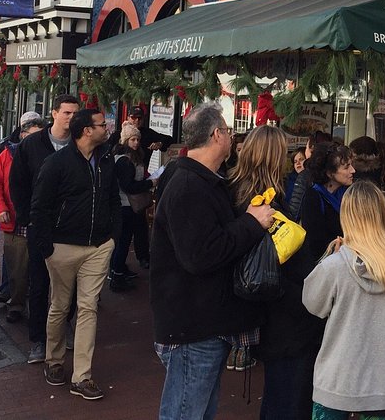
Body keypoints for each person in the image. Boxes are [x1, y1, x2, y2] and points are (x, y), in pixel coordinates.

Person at [151, 102, 274, 420]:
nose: (233, 139)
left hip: (201, 323)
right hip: (194, 328)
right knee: (184, 413)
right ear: (217, 134)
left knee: (198, 411)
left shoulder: (199, 179)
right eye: (230, 132)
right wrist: (251, 222)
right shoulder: (189, 185)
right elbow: (200, 256)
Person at [228, 125, 323, 418]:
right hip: (285, 307)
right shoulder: (263, 201)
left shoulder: (238, 192)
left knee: (281, 392)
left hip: (271, 306)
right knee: (290, 393)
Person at [302, 181, 385, 420]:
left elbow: (312, 304)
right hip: (383, 380)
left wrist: (328, 257)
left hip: (336, 379)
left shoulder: (334, 266)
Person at [30, 108, 120, 401]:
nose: (106, 127)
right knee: (59, 305)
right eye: (101, 124)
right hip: (62, 246)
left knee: (88, 307)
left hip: (98, 246)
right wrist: (46, 247)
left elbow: (112, 199)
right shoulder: (56, 163)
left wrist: (112, 238)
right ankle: (53, 359)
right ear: (86, 131)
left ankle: (82, 376)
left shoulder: (106, 160)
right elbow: (40, 206)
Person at [9, 94, 80, 364]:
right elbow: (18, 182)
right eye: (66, 113)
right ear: (54, 113)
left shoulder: (79, 144)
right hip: (40, 225)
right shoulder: (32, 145)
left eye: (75, 113)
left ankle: (65, 326)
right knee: (39, 283)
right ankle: (38, 339)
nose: (71, 118)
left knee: (69, 283)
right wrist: (27, 217)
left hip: (71, 227)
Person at [0, 112, 47, 323]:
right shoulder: (8, 154)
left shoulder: (50, 155)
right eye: (32, 135)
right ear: (22, 135)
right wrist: (1, 208)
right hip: (17, 220)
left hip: (42, 220)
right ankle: (17, 303)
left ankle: (39, 308)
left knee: (41, 269)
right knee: (17, 267)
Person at [109, 122, 154, 290]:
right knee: (123, 241)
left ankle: (118, 270)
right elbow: (128, 186)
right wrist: (150, 183)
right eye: (132, 139)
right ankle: (117, 275)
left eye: (137, 139)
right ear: (125, 140)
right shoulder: (125, 161)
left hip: (128, 205)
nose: (136, 142)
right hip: (126, 205)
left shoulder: (128, 158)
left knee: (123, 241)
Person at [299, 141, 356, 258]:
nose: (353, 170)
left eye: (351, 165)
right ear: (330, 173)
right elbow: (315, 244)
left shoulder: (351, 193)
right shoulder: (313, 197)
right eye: (346, 167)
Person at [287, 130, 332, 220]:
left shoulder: (306, 176)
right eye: (295, 161)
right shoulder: (332, 172)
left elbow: (294, 211)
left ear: (311, 149)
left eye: (306, 147)